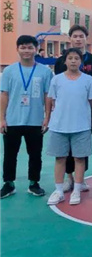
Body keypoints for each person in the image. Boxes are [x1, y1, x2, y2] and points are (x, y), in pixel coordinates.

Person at [1, 35, 53, 199]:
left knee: (35, 154)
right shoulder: (9, 71)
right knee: (10, 154)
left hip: (35, 120)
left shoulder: (45, 71)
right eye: (23, 47)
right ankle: (9, 184)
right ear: (17, 49)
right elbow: (4, 95)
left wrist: (47, 117)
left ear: (36, 49)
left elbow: (48, 96)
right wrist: (2, 118)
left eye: (30, 47)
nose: (26, 51)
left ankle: (34, 183)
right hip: (12, 120)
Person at [45, 48, 92, 205]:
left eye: (76, 58)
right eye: (70, 58)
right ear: (65, 61)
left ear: (81, 61)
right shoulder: (56, 80)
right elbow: (52, 100)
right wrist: (48, 119)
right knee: (60, 158)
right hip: (59, 126)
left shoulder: (88, 80)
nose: (73, 61)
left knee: (79, 158)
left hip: (81, 126)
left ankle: (77, 190)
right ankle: (59, 191)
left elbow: (90, 102)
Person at [54, 25, 92, 193]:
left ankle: (81, 179)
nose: (78, 39)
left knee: (82, 145)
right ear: (70, 38)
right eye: (75, 36)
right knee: (65, 146)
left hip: (85, 108)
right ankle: (69, 177)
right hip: (66, 110)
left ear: (86, 39)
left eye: (81, 36)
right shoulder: (61, 61)